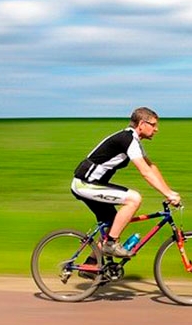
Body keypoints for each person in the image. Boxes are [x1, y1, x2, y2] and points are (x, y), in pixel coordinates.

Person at [71, 107, 181, 258]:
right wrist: (167, 193)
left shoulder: (133, 140)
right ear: (142, 124)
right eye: (153, 124)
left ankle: (90, 265)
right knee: (134, 199)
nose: (156, 129)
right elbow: (145, 172)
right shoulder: (128, 139)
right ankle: (110, 244)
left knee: (114, 224)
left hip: (92, 184)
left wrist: (170, 192)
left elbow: (151, 167)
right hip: (84, 184)